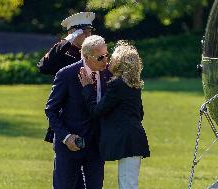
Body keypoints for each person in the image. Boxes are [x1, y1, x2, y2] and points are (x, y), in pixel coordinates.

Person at [78, 41, 150, 189]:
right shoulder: (133, 85)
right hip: (134, 139)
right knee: (128, 183)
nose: (108, 60)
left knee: (127, 184)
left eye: (112, 58)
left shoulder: (117, 85)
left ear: (119, 63)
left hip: (127, 141)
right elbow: (139, 114)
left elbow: (96, 111)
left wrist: (87, 89)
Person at [45, 35, 110, 189]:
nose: (106, 61)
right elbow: (51, 110)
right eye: (101, 57)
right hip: (70, 146)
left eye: (107, 55)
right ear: (87, 57)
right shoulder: (66, 74)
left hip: (96, 147)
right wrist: (66, 137)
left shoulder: (109, 73)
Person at [38, 12, 96, 143]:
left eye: (89, 31)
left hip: (91, 117)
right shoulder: (63, 55)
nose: (88, 35)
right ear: (72, 33)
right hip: (67, 120)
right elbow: (44, 66)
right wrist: (69, 39)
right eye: (83, 32)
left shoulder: (95, 55)